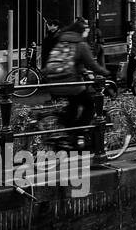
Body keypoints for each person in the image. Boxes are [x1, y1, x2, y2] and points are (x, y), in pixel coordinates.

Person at [43, 18, 109, 149]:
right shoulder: (80, 44)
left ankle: (66, 135)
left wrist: (82, 70)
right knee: (90, 105)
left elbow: (70, 62)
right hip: (69, 83)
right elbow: (92, 64)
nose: (87, 33)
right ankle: (78, 133)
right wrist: (107, 73)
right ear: (82, 31)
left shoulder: (61, 41)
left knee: (73, 106)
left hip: (53, 83)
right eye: (86, 30)